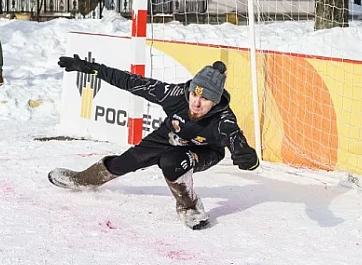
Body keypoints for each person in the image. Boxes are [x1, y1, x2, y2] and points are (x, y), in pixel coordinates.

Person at [48, 55, 260, 230]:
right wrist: (89, 68)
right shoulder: (174, 95)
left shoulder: (224, 120)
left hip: (203, 151)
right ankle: (84, 179)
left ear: (215, 101)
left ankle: (189, 207)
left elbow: (238, 144)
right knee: (123, 163)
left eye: (205, 99)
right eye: (194, 94)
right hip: (166, 138)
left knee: (171, 162)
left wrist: (247, 157)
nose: (196, 102)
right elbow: (131, 82)